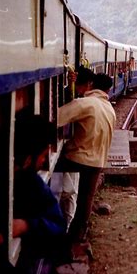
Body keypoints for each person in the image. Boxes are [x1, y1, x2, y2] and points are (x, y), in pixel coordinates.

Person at [0, 114, 67, 274]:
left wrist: (26, 225)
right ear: (29, 158)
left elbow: (58, 226)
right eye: (44, 155)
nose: (44, 161)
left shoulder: (31, 182)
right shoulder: (30, 181)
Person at [56, 73, 116, 243]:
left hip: (78, 159)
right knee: (85, 202)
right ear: (108, 90)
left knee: (50, 174)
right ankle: (77, 237)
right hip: (98, 162)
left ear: (91, 85)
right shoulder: (109, 108)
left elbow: (57, 118)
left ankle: (54, 225)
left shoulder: (85, 103)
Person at [51, 66, 96, 231]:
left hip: (71, 153)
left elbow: (59, 116)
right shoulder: (85, 101)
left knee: (64, 192)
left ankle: (63, 228)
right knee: (70, 193)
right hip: (74, 153)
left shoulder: (81, 102)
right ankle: (66, 227)